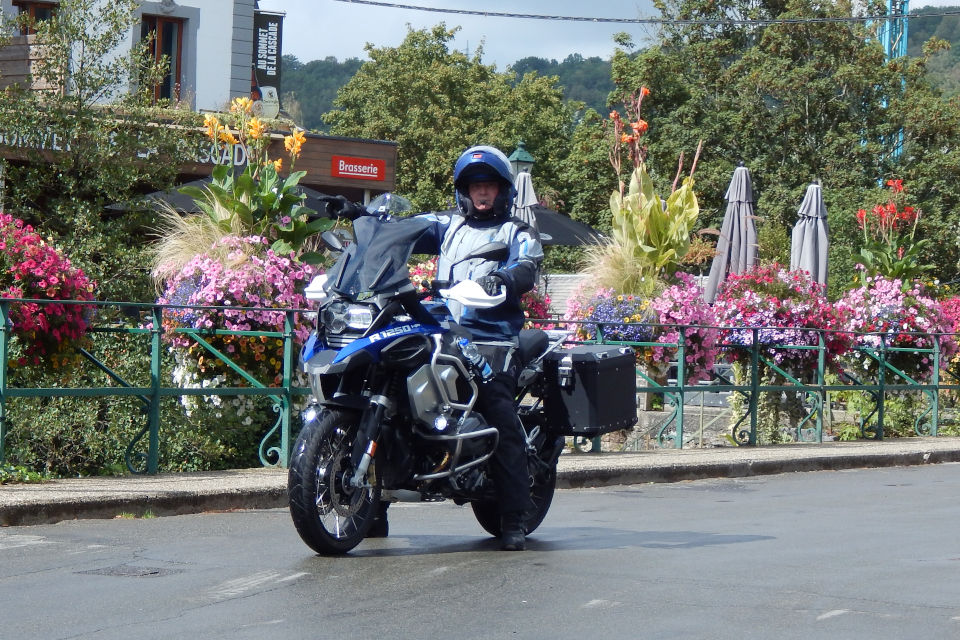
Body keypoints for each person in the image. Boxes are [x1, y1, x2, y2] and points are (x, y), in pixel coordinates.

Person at [345, 146, 543, 550]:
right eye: (475, 187)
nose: (482, 194)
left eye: (488, 186)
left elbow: (527, 266)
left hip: (491, 336)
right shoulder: (447, 226)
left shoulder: (517, 231)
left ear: (502, 191)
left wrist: (503, 280)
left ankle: (514, 516)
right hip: (441, 329)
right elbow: (402, 228)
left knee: (499, 410)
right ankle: (372, 504)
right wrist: (362, 218)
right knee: (392, 392)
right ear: (464, 193)